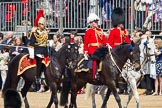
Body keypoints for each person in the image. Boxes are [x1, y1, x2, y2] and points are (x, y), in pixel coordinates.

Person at [107, 8, 131, 94]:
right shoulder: (113, 31)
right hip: (116, 51)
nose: (123, 24)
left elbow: (128, 42)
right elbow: (110, 42)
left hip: (124, 52)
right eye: (121, 23)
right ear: (118, 23)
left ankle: (127, 86)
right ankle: (120, 87)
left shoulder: (125, 31)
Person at [83, 13, 108, 80]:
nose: (96, 23)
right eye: (94, 22)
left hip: (101, 49)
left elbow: (104, 40)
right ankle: (95, 74)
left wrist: (107, 45)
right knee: (95, 60)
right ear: (91, 23)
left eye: (96, 22)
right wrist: (85, 51)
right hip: (92, 49)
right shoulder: (88, 31)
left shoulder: (100, 30)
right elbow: (86, 43)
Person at [28, 13, 49, 84]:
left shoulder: (45, 31)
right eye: (42, 24)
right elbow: (32, 42)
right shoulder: (34, 32)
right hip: (37, 49)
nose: (43, 26)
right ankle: (37, 76)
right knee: (39, 59)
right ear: (39, 24)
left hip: (45, 50)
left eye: (44, 24)